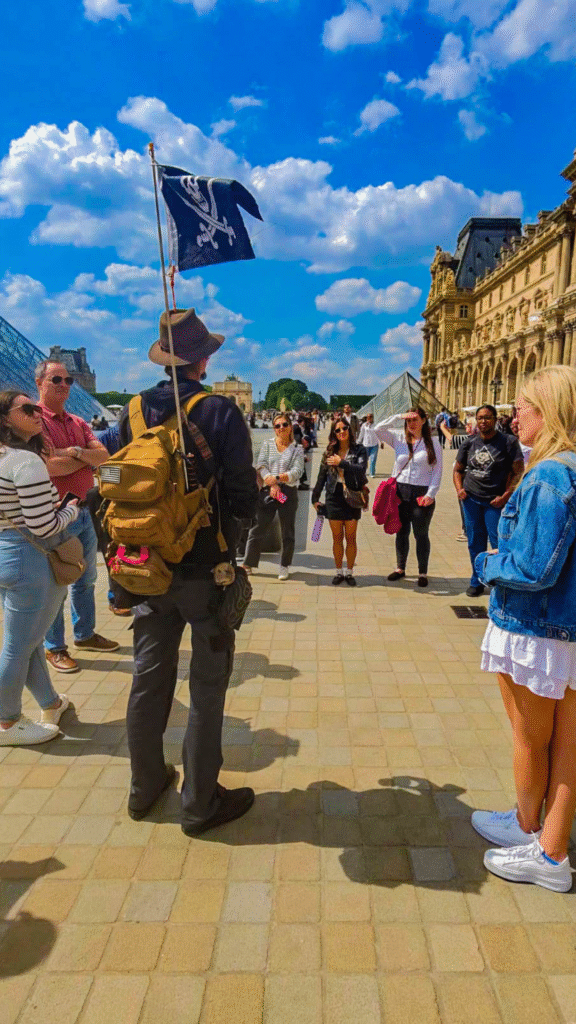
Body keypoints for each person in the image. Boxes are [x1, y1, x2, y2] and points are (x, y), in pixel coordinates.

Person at [120, 307, 258, 834]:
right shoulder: (219, 411)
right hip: (204, 568)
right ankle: (199, 803)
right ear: (203, 360)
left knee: (148, 679)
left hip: (146, 567)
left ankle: (144, 786)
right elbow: (242, 494)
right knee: (206, 687)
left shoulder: (133, 411)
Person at [471, 366, 576, 893]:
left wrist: (486, 563)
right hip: (563, 627)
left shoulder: (549, 475)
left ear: (548, 412)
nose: (514, 418)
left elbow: (534, 568)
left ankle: (536, 837)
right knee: (565, 744)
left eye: (522, 408)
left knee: (530, 739)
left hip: (535, 627)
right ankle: (543, 836)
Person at [0, 391, 80, 746]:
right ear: (5, 419)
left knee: (27, 640)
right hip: (30, 559)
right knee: (18, 646)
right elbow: (43, 526)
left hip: (6, 553)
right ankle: (6, 722)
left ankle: (50, 703)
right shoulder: (25, 461)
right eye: (27, 409)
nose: (37, 413)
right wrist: (72, 509)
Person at [36, 361, 119, 673]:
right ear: (39, 382)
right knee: (56, 584)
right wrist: (84, 457)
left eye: (68, 380)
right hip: (55, 514)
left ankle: (84, 634)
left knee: (86, 579)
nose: (64, 384)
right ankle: (54, 647)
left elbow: (104, 457)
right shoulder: (33, 421)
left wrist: (73, 453)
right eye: (56, 379)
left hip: (85, 510)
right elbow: (49, 466)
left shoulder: (78, 420)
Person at [454, 404, 524, 598]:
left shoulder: (508, 442)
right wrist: (459, 490)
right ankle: (476, 580)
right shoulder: (469, 442)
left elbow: (518, 471)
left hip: (495, 502)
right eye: (480, 418)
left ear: (495, 419)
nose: (483, 421)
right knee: (474, 543)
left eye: (487, 417)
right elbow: (458, 469)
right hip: (471, 500)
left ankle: (498, 581)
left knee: (498, 542)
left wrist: (506, 496)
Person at [375, 408, 442, 588]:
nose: (411, 423)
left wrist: (431, 494)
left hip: (422, 493)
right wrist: (398, 416)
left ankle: (422, 572)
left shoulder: (433, 442)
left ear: (423, 420)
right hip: (400, 492)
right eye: (408, 420)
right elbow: (377, 429)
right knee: (401, 531)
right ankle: (400, 568)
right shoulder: (399, 439)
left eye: (415, 419)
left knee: (421, 534)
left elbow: (437, 470)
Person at [243, 413, 304, 581]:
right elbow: (261, 464)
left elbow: (297, 471)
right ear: (274, 429)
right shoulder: (268, 444)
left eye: (284, 424)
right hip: (270, 492)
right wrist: (272, 483)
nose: (281, 428)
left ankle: (284, 565)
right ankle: (248, 563)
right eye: (277, 426)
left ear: (290, 427)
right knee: (258, 528)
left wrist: (276, 479)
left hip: (287, 494)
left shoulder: (297, 448)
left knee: (287, 531)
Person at [312, 418, 367, 586]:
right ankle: (338, 571)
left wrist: (341, 463)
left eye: (344, 428)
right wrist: (315, 498)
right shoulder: (329, 452)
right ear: (334, 433)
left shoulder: (359, 450)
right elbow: (321, 476)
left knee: (351, 537)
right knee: (337, 538)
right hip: (333, 497)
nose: (342, 432)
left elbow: (361, 470)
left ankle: (349, 572)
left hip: (352, 496)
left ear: (349, 429)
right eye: (337, 430)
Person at [358, 412, 380, 477]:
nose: (369, 418)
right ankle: (364, 471)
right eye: (367, 417)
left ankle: (372, 473)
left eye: (370, 417)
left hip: (374, 445)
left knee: (373, 459)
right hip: (366, 445)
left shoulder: (376, 425)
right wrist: (358, 442)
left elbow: (379, 434)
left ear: (372, 418)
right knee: (365, 460)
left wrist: (381, 442)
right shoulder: (364, 425)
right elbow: (361, 434)